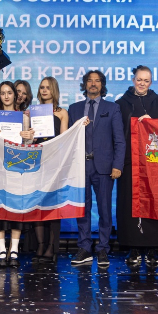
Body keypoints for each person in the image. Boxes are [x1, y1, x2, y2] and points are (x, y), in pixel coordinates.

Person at [116, 65, 158, 267]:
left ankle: (152, 250)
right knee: (130, 207)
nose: (142, 83)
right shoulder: (121, 103)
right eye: (139, 80)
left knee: (153, 204)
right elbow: (117, 133)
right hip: (129, 163)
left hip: (154, 164)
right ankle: (133, 249)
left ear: (151, 82)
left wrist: (153, 123)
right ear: (133, 80)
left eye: (146, 81)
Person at [68, 70, 125, 267]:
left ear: (102, 85)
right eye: (90, 81)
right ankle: (84, 247)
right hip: (80, 167)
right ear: (85, 84)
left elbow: (119, 140)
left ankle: (102, 248)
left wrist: (117, 165)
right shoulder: (74, 109)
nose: (93, 84)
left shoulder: (113, 108)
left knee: (104, 209)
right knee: (82, 209)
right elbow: (68, 139)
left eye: (97, 81)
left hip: (104, 167)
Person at [0, 81, 35, 267]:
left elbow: (27, 146)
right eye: (3, 93)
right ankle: (1, 248)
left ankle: (14, 249)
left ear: (15, 95)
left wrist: (29, 138)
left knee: (17, 207)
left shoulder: (24, 118)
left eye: (9, 92)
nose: (6, 96)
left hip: (17, 167)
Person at [31, 77, 68, 264]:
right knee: (38, 205)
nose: (44, 90)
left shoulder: (62, 112)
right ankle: (40, 244)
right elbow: (29, 139)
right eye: (42, 87)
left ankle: (52, 247)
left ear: (54, 90)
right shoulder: (33, 111)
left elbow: (64, 138)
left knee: (53, 207)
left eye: (48, 87)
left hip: (54, 163)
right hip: (37, 161)